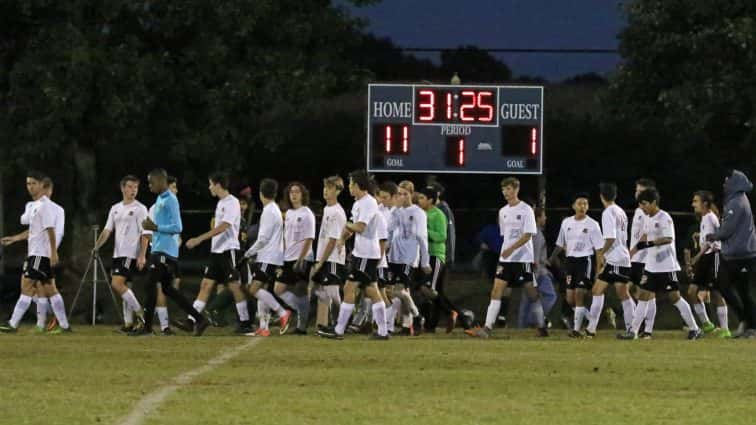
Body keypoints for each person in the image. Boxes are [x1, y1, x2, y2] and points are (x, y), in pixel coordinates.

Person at [466, 177, 548, 338]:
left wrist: (510, 249)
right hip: (506, 260)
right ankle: (487, 328)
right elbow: (506, 235)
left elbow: (528, 235)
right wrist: (506, 251)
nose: (505, 192)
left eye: (509, 189)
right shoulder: (503, 211)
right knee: (496, 290)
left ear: (516, 189)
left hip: (522, 259)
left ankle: (542, 325)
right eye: (503, 189)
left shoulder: (526, 210)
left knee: (532, 293)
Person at [130, 169, 208, 336]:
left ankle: (147, 327)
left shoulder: (171, 200)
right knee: (167, 289)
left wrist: (156, 227)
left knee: (150, 285)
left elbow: (178, 227)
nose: (149, 186)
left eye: (151, 182)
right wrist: (151, 226)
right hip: (159, 249)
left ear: (160, 181)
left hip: (165, 252)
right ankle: (199, 319)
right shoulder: (160, 199)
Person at [619, 188, 702, 340]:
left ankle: (694, 328)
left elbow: (668, 239)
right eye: (641, 205)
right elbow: (645, 234)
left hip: (666, 265)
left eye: (644, 204)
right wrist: (633, 250)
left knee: (674, 297)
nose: (642, 208)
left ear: (653, 203)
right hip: (651, 266)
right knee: (643, 295)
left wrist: (649, 243)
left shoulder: (665, 217)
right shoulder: (648, 217)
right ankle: (633, 332)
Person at [317, 169, 389, 340]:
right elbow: (353, 227)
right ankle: (383, 331)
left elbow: (360, 227)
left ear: (357, 185)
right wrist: (343, 238)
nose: (349, 187)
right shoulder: (359, 203)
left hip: (366, 254)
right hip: (361, 253)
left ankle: (339, 329)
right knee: (371, 289)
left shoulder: (368, 203)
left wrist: (347, 227)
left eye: (350, 184)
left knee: (350, 287)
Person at [180, 172, 252, 334]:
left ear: (218, 185)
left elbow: (224, 226)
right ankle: (192, 321)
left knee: (234, 286)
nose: (209, 187)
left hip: (228, 250)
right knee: (205, 285)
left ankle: (245, 322)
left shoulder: (232, 202)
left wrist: (199, 239)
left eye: (211, 184)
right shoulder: (221, 203)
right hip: (216, 252)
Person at [1, 172, 71, 333]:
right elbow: (33, 231)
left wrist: (53, 252)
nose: (30, 187)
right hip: (37, 253)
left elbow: (50, 230)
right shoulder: (36, 206)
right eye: (28, 184)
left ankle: (13, 324)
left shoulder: (44, 205)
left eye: (33, 183)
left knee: (27, 285)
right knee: (49, 289)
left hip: (40, 254)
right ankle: (64, 326)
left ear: (41, 185)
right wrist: (14, 238)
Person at [92, 175, 149, 332]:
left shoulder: (140, 209)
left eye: (135, 187)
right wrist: (96, 246)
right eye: (130, 187)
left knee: (116, 284)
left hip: (130, 254)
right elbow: (107, 230)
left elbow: (145, 233)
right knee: (125, 287)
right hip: (118, 254)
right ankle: (128, 324)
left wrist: (142, 254)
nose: (133, 190)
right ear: (123, 188)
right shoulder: (115, 208)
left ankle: (142, 315)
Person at [706, 170, 756, 337]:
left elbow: (727, 230)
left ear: (734, 183)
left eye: (727, 181)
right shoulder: (738, 199)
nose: (724, 184)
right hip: (737, 253)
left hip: (742, 255)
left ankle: (749, 324)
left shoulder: (737, 202)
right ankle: (747, 323)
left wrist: (714, 235)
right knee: (737, 290)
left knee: (730, 288)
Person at [242, 178, 292, 337]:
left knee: (253, 289)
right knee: (261, 290)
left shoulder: (269, 211)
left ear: (261, 193)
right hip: (271, 256)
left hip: (268, 257)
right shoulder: (274, 209)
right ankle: (264, 327)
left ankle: (282, 313)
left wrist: (248, 253)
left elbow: (263, 238)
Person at [550, 193, 603, 338]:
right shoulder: (566, 222)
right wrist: (552, 257)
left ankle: (576, 330)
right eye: (579, 203)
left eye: (585, 204)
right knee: (570, 299)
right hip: (570, 262)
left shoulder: (593, 225)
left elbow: (599, 249)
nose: (582, 206)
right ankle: (593, 320)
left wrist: (599, 270)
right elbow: (560, 243)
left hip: (584, 261)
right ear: (573, 206)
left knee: (579, 294)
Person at [418, 185, 469, 333]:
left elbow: (442, 236)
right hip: (425, 256)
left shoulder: (439, 214)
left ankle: (453, 314)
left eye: (422, 198)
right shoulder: (422, 213)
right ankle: (432, 324)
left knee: (427, 289)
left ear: (431, 200)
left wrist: (424, 231)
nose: (419, 200)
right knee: (433, 291)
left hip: (436, 256)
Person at [585, 183, 634, 337]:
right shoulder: (620, 211)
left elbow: (611, 238)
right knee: (600, 291)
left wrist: (601, 253)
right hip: (620, 257)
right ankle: (591, 329)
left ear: (601, 196)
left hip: (616, 259)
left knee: (621, 294)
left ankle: (631, 329)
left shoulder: (608, 213)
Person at [274, 182, 316, 335]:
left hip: (302, 258)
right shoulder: (289, 213)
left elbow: (309, 238)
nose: (294, 194)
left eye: (297, 191)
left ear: (302, 194)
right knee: (278, 289)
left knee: (301, 291)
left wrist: (301, 258)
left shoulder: (307, 213)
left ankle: (302, 326)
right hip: (288, 257)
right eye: (291, 192)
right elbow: (286, 237)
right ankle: (300, 310)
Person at [688, 190, 730, 337]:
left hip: (713, 256)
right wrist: (699, 236)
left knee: (716, 292)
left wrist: (697, 257)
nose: (693, 204)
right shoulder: (705, 217)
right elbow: (708, 236)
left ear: (705, 203)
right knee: (692, 292)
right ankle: (706, 324)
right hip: (705, 257)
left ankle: (725, 329)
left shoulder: (711, 217)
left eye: (696, 201)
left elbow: (713, 240)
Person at [311, 176, 347, 331]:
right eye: (325, 187)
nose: (326, 190)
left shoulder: (337, 212)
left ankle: (342, 321)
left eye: (330, 188)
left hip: (333, 258)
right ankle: (325, 325)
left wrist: (321, 262)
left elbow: (333, 240)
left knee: (332, 293)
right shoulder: (327, 209)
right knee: (321, 291)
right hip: (324, 257)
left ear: (338, 191)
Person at [517, 207, 557, 328]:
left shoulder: (530, 232)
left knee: (527, 299)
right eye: (543, 216)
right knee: (550, 295)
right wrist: (539, 271)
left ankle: (521, 327)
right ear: (538, 218)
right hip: (536, 272)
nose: (545, 218)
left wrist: (544, 262)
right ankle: (533, 318)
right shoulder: (537, 234)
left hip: (529, 270)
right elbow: (534, 258)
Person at [628, 178, 656, 337]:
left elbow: (646, 234)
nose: (636, 193)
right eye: (636, 190)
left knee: (646, 293)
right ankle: (641, 327)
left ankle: (644, 329)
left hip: (642, 258)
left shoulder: (645, 211)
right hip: (637, 258)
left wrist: (632, 251)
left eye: (640, 191)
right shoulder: (640, 210)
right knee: (637, 291)